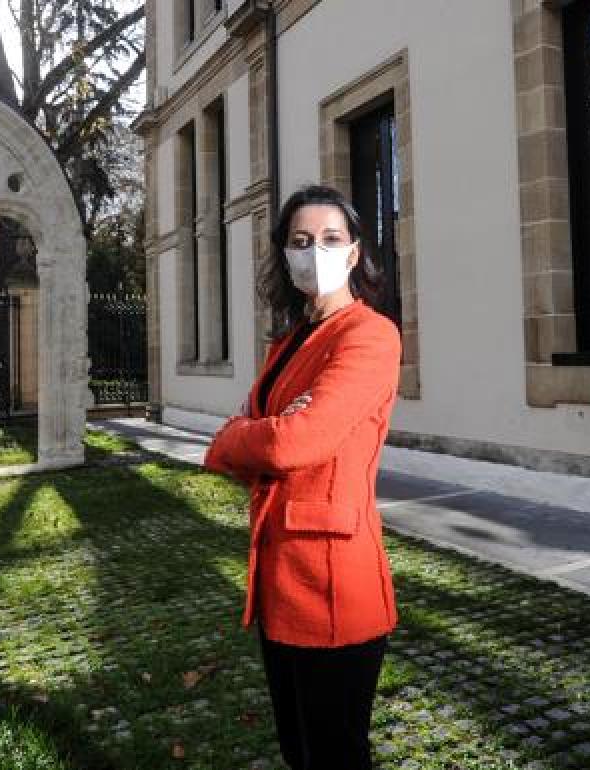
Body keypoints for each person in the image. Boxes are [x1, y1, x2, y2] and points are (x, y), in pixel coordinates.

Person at [203, 184, 402, 769]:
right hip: (278, 577)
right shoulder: (287, 344)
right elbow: (270, 439)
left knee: (335, 755)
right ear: (284, 255)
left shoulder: (368, 335)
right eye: (300, 241)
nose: (314, 250)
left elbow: (296, 441)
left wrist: (236, 438)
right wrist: (261, 438)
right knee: (298, 749)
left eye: (330, 238)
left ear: (355, 252)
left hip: (333, 582)